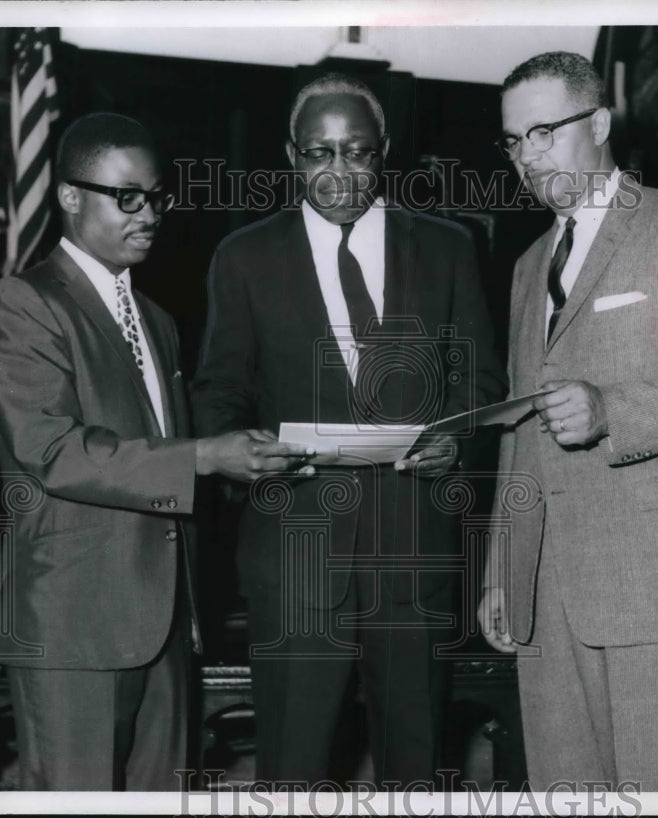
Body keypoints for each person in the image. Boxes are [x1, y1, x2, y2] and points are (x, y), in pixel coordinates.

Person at [0, 112, 312, 791]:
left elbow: (164, 462)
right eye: (125, 197)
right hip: (74, 629)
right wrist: (202, 458)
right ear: (70, 197)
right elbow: (55, 451)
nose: (149, 213)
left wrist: (257, 459)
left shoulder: (155, 319)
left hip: (167, 628)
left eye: (156, 196)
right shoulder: (24, 303)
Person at [191, 73, 505, 787]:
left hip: (415, 546)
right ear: (291, 157)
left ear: (384, 151)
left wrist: (458, 441)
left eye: (355, 152)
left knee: (414, 765)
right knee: (293, 767)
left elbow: (480, 382)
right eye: (318, 153)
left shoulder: (448, 248)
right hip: (295, 549)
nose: (337, 172)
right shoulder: (243, 257)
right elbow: (219, 390)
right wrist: (242, 454)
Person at [478, 52, 658, 791]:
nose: (528, 156)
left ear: (601, 123)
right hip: (548, 586)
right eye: (514, 141)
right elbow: (521, 433)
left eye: (544, 130)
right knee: (564, 791)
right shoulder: (525, 266)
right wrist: (504, 573)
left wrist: (613, 410)